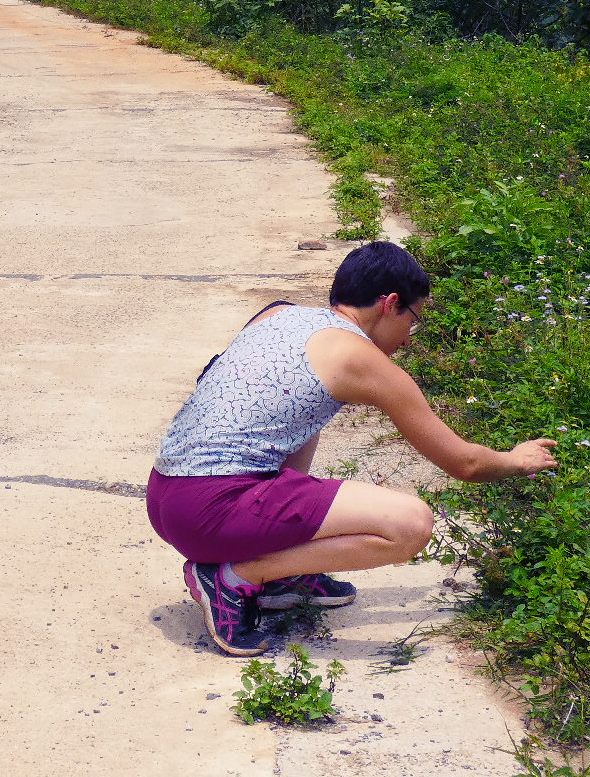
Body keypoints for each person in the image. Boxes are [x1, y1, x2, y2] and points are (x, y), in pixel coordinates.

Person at [146, 241, 558, 656]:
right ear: (390, 303)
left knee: (304, 415)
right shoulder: (358, 357)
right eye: (413, 321)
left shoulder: (278, 312)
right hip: (211, 513)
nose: (409, 340)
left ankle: (280, 571)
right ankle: (234, 578)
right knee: (411, 525)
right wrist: (515, 460)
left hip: (166, 496)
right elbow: (465, 463)